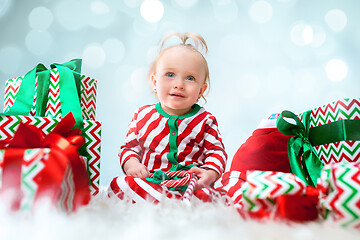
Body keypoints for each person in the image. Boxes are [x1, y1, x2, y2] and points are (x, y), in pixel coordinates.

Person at [109, 32, 227, 203]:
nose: (179, 84)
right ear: (155, 82)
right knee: (119, 184)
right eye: (170, 75)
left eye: (190, 78)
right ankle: (161, 201)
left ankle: (173, 203)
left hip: (190, 185)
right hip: (152, 181)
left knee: (211, 197)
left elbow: (217, 152)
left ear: (201, 90)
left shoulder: (205, 120)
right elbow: (129, 148)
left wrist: (209, 173)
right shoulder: (142, 116)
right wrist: (133, 165)